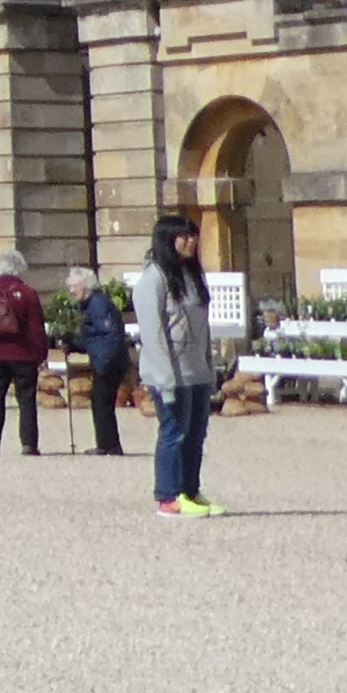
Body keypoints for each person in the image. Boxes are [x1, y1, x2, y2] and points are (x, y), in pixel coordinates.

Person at [129, 212, 224, 514]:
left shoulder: (193, 277)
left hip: (196, 372)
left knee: (196, 435)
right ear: (168, 241)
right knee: (174, 432)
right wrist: (164, 380)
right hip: (170, 374)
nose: (191, 241)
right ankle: (168, 497)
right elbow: (154, 335)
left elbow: (204, 329)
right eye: (184, 236)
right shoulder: (153, 279)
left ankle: (190, 491)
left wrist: (210, 370)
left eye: (193, 235)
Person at [0, 250, 49, 455]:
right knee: (26, 400)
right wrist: (41, 355)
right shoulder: (28, 293)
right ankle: (28, 444)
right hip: (23, 354)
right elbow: (36, 328)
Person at [77, 273, 134, 457]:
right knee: (102, 402)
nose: (71, 290)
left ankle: (106, 445)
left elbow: (110, 334)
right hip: (106, 358)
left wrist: (104, 362)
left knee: (101, 401)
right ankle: (110, 444)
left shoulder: (98, 304)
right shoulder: (92, 303)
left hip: (108, 360)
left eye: (74, 286)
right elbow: (93, 335)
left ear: (86, 286)